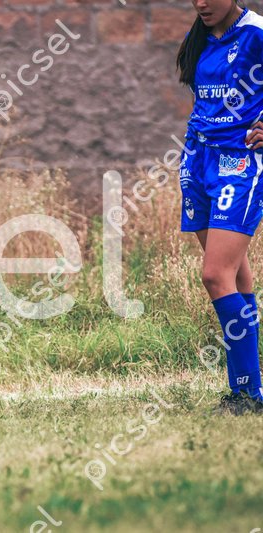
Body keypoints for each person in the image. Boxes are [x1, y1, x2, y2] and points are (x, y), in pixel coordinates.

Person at [177, 0, 263, 413]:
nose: (201, 3)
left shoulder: (256, 33)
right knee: (235, 276)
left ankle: (245, 393)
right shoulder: (200, 37)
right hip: (198, 161)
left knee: (214, 275)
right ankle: (251, 389)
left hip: (239, 164)